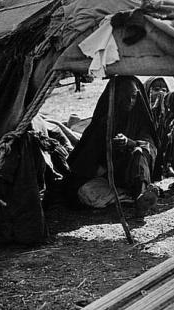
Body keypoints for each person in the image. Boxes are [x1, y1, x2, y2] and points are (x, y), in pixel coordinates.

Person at [66, 76, 161, 216]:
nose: (129, 102)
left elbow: (150, 146)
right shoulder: (104, 121)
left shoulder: (140, 120)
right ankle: (126, 197)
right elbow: (86, 161)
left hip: (133, 176)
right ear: (114, 97)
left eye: (133, 97)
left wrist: (130, 143)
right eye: (123, 97)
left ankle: (141, 195)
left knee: (140, 151)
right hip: (107, 179)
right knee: (86, 192)